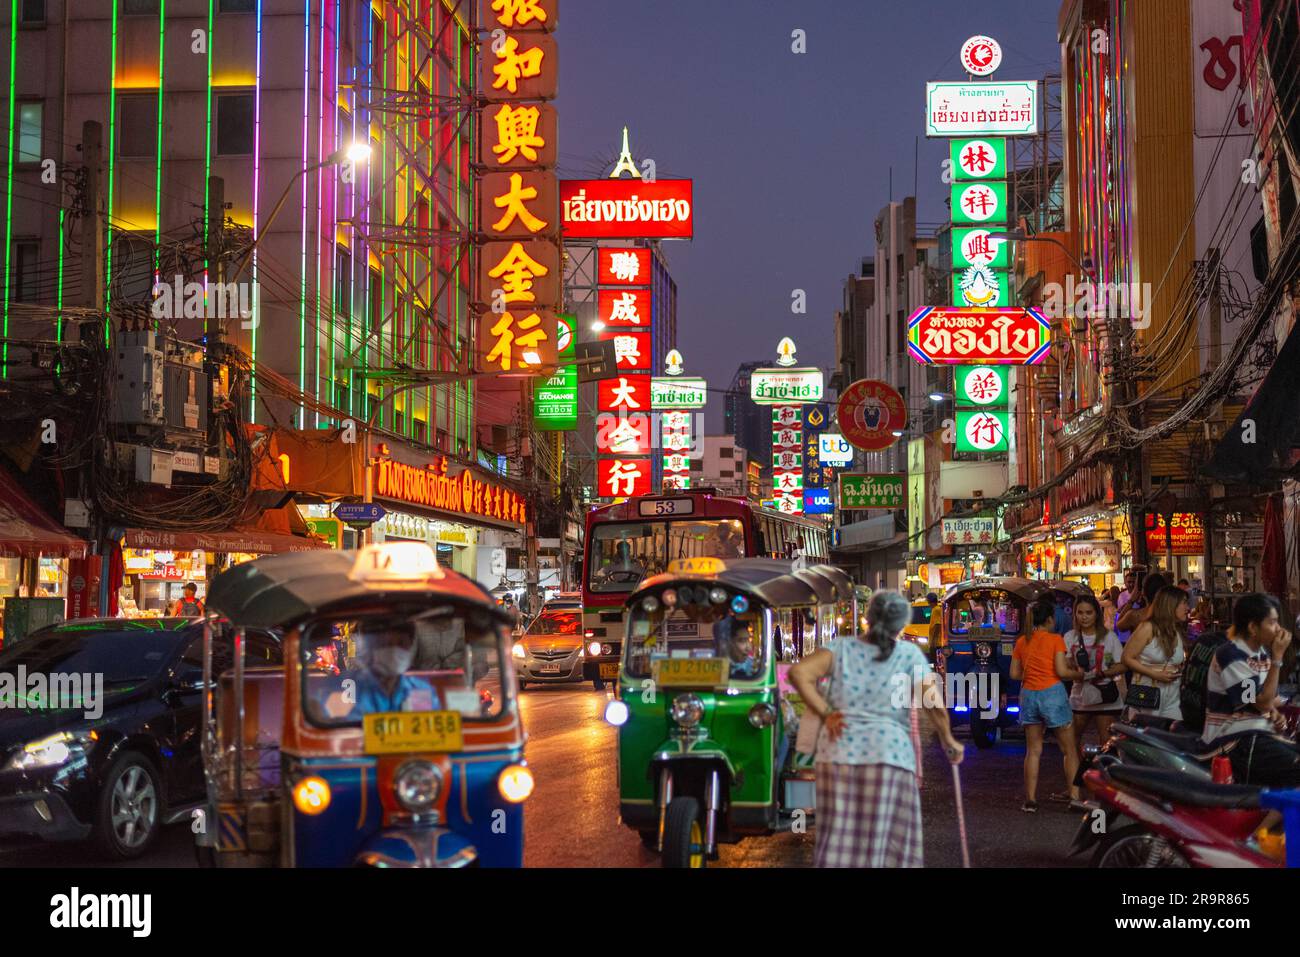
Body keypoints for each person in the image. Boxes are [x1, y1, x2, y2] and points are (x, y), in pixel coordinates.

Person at [789, 590, 963, 868]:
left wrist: (827, 713)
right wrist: (949, 741)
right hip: (890, 757)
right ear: (900, 625)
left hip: (839, 756)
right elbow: (935, 706)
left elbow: (798, 673)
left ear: (868, 619)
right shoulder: (908, 655)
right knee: (890, 846)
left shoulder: (840, 648)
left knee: (839, 841)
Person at [1200, 594, 1300, 785]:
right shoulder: (1231, 654)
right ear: (1253, 627)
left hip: (1257, 733)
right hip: (1232, 740)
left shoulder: (1260, 652)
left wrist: (1274, 714)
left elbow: (1264, 702)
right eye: (1272, 623)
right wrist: (1278, 657)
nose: (1278, 629)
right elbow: (1262, 702)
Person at [1011, 598, 1080, 811]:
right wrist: (1080, 674)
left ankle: (1030, 800)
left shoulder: (1022, 641)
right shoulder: (1055, 640)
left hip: (1029, 695)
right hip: (1053, 695)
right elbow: (1061, 671)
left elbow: (1014, 673)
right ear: (1050, 619)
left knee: (1033, 750)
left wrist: (1032, 674)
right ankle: (1075, 798)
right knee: (1069, 750)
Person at [1059, 594, 1126, 756]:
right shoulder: (1070, 637)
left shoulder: (1109, 637)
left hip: (1106, 696)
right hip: (1080, 697)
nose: (1084, 617)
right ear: (1074, 614)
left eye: (1088, 613)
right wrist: (1074, 669)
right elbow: (1064, 666)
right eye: (1080, 613)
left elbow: (1122, 665)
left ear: (1097, 613)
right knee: (1071, 739)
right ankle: (1080, 773)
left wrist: (1102, 673)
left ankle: (1103, 776)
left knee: (1107, 741)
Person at [1121, 586, 1188, 722]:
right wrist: (1155, 674)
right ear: (1171, 605)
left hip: (1172, 693)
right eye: (1184, 603)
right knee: (1148, 734)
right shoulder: (1148, 627)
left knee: (1173, 731)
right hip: (1148, 692)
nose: (1188, 607)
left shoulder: (1176, 630)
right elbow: (1126, 658)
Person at [348, 623, 441, 715]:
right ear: (370, 646)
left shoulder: (420, 691)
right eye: (385, 643)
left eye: (401, 643)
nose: (394, 651)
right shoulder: (350, 692)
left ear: (411, 646)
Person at [1115, 572, 1168, 637]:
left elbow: (1119, 625)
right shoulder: (1170, 612)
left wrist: (1131, 600)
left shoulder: (1135, 615)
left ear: (1143, 592)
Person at [925, 593, 946, 666]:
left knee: (935, 662)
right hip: (936, 641)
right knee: (935, 661)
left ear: (930, 601)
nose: (928, 603)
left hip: (936, 642)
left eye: (928, 601)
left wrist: (933, 640)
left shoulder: (936, 609)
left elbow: (938, 625)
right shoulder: (936, 609)